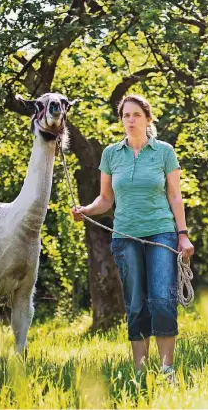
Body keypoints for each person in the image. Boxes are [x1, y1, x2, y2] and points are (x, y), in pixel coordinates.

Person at [72, 94, 194, 374]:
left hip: (162, 234)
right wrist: (86, 210)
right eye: (126, 115)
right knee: (136, 304)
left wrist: (182, 234)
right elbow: (105, 199)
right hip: (125, 237)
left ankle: (166, 370)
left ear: (148, 119)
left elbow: (175, 196)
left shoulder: (164, 151)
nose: (130, 120)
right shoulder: (111, 154)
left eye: (136, 115)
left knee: (162, 299)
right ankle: (140, 371)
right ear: (121, 120)